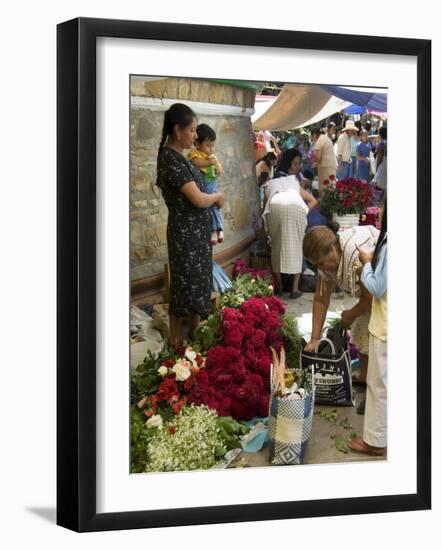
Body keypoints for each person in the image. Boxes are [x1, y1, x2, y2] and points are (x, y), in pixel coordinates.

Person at [156, 103, 224, 347]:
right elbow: (197, 198)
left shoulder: (179, 158)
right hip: (185, 234)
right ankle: (176, 341)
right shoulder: (170, 160)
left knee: (198, 281)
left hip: (195, 232)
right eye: (192, 130)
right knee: (185, 283)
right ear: (178, 130)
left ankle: (194, 333)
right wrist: (216, 197)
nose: (196, 136)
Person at [302, 223, 380, 384]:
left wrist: (350, 314)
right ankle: (365, 377)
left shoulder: (356, 257)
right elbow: (321, 299)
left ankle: (377, 388)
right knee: (361, 325)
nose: (320, 268)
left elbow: (371, 296)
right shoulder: (326, 264)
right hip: (372, 292)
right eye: (315, 265)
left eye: (320, 263)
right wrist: (315, 339)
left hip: (386, 287)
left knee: (376, 332)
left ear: (332, 250)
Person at [348, 199, 387, 456]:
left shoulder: (391, 243)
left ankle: (374, 442)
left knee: (378, 385)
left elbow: (377, 287)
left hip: (386, 324)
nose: (379, 211)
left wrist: (365, 265)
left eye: (383, 206)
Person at [263, 149, 317, 299]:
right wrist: (303, 211)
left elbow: (264, 209)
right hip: (296, 205)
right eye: (296, 164)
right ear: (288, 164)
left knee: (276, 246)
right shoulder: (293, 181)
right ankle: (294, 289)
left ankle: (279, 287)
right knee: (297, 245)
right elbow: (313, 200)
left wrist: (265, 231)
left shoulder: (271, 182)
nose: (299, 167)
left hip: (274, 204)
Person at [188, 123, 225, 245]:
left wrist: (217, 169)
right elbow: (196, 163)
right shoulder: (195, 153)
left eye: (212, 145)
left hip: (211, 183)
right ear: (197, 143)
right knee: (210, 207)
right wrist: (209, 162)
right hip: (204, 184)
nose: (211, 149)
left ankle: (219, 229)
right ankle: (214, 230)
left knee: (214, 207)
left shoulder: (212, 156)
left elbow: (219, 168)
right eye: (208, 145)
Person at [311, 127, 337, 198]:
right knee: (330, 186)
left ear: (314, 135)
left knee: (325, 187)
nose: (312, 139)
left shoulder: (319, 141)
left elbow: (318, 157)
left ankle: (324, 205)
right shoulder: (325, 138)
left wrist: (313, 163)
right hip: (330, 165)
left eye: (312, 137)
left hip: (326, 166)